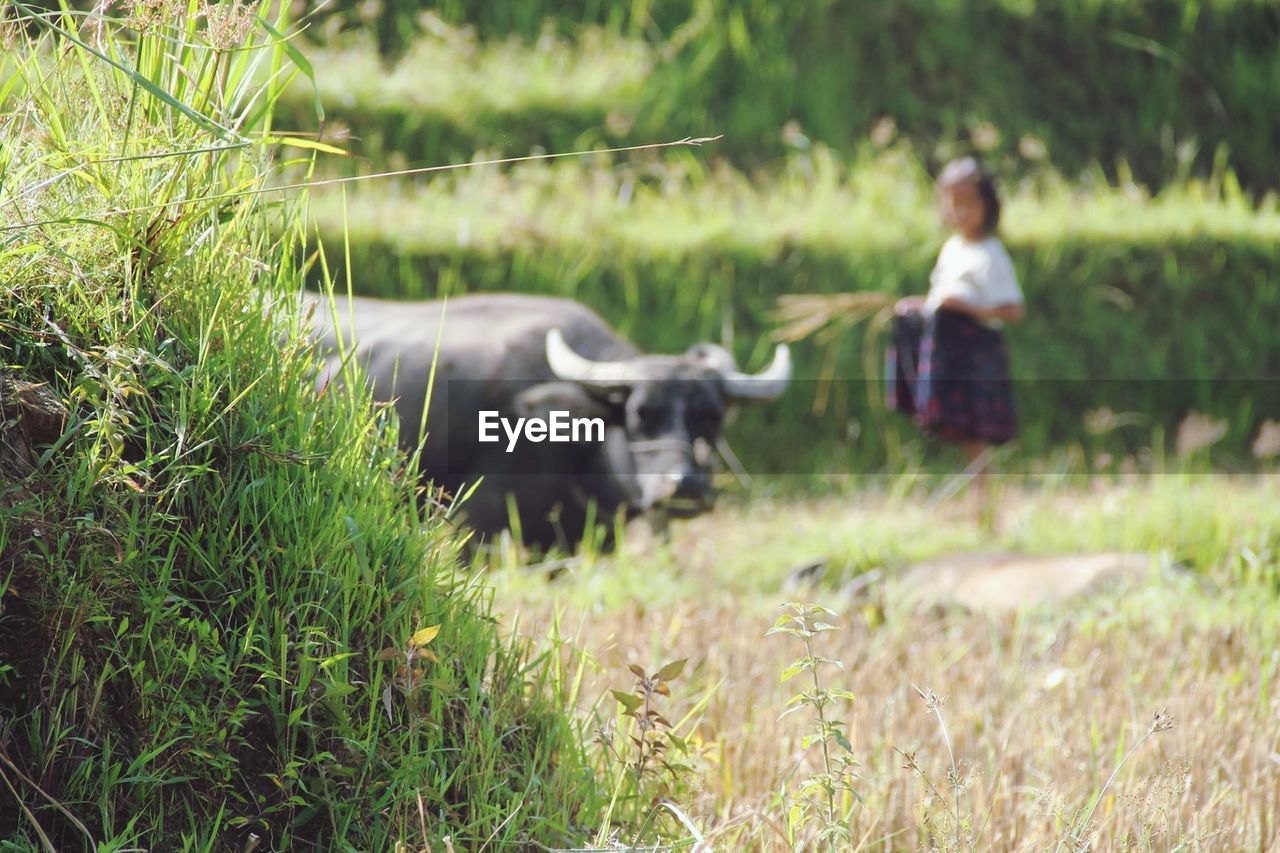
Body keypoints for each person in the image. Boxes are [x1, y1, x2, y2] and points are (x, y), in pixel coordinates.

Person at [887, 157, 1025, 520]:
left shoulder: (991, 254)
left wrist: (967, 309)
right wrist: (921, 307)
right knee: (962, 433)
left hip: (975, 355)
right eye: (951, 202)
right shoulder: (952, 249)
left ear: (987, 205)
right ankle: (976, 506)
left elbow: (1012, 310)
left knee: (975, 434)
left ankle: (983, 507)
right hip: (949, 356)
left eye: (968, 202)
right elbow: (942, 298)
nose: (958, 211)